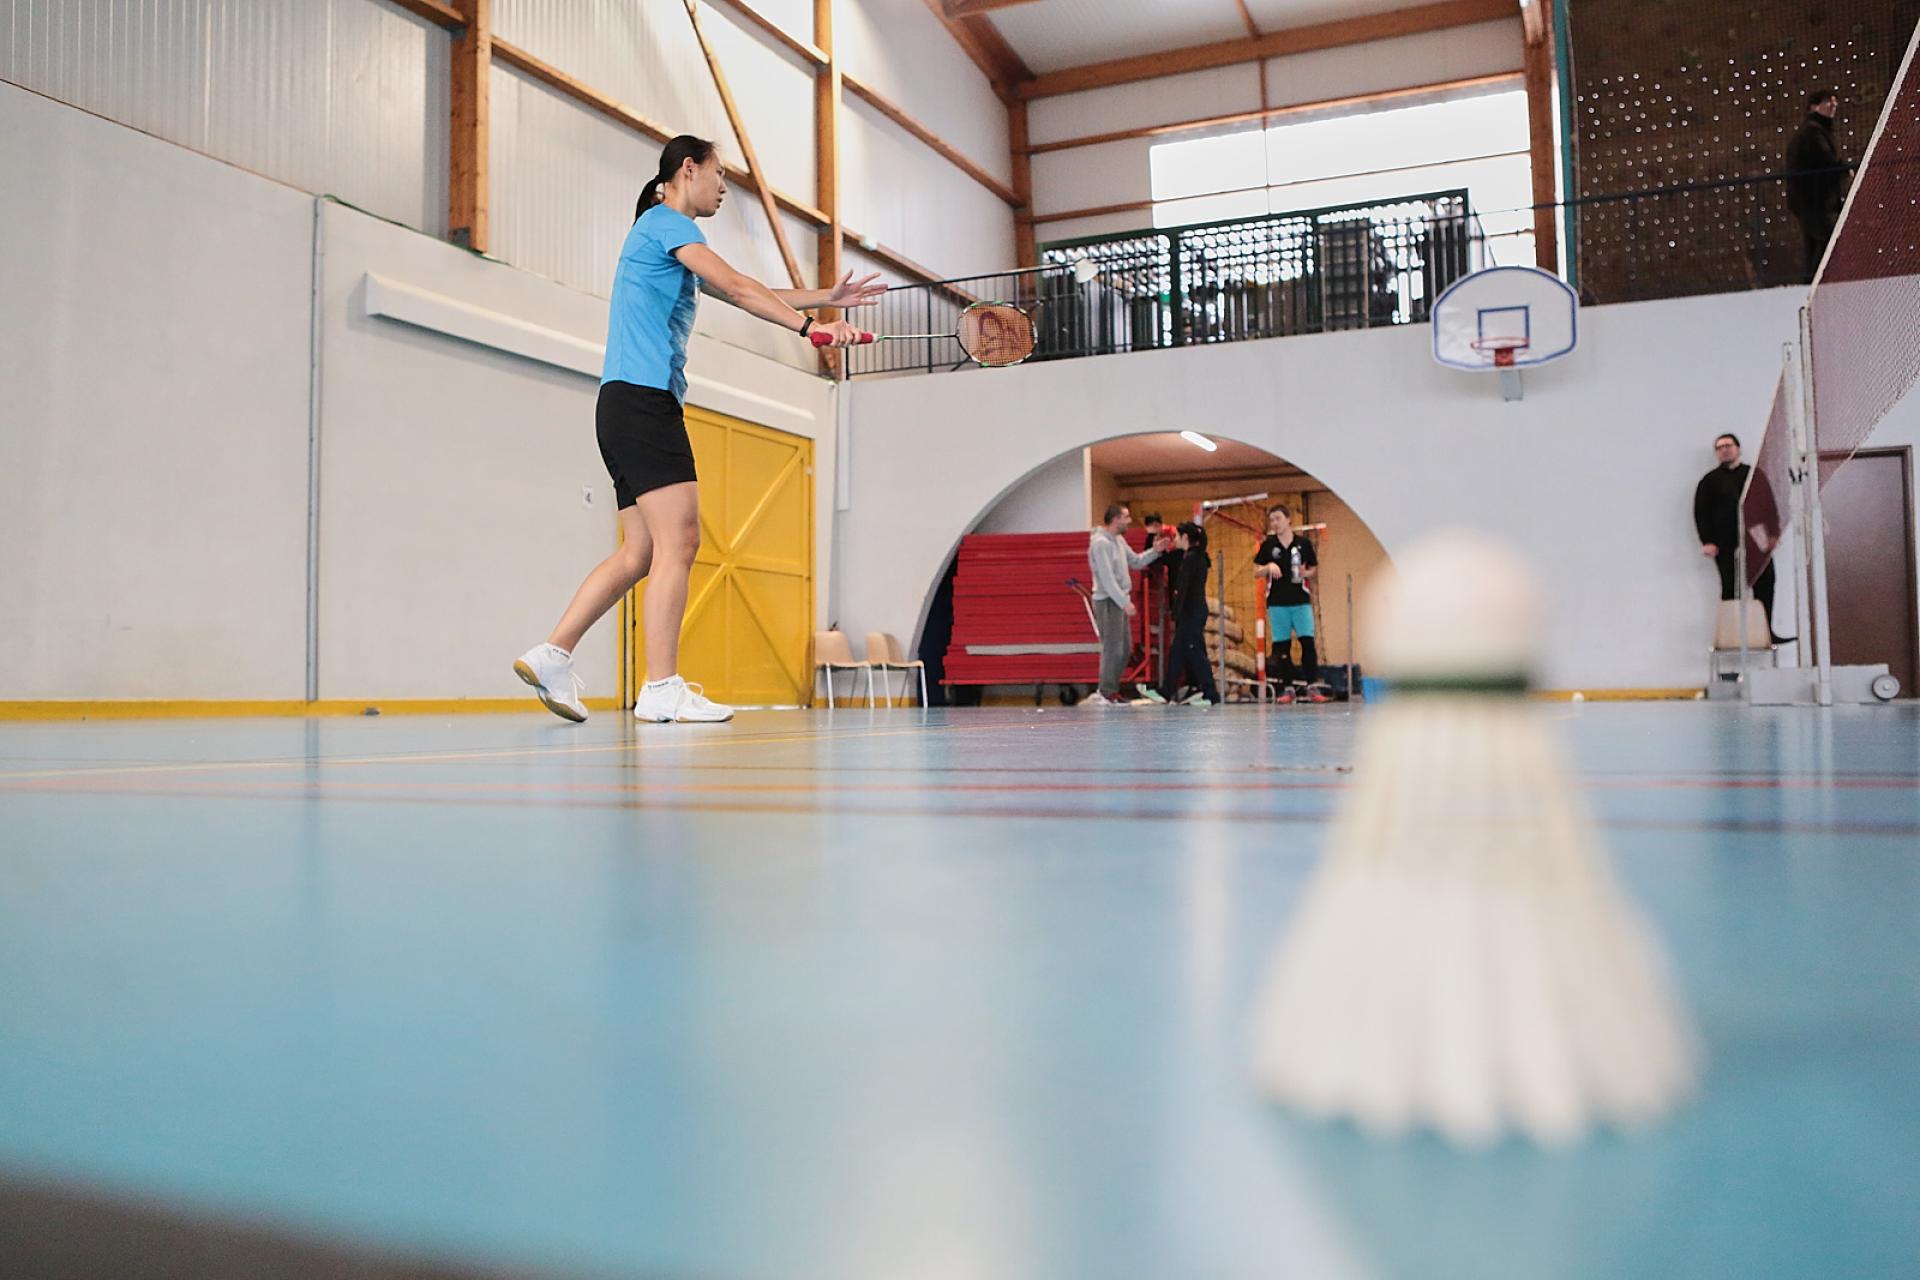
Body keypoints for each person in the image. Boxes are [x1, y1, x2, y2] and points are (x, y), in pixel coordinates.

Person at [515, 136, 878, 723]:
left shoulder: (662, 236)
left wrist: (824, 298)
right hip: (645, 403)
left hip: (620, 405)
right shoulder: (667, 224)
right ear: (689, 169)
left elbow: (740, 289)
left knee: (640, 551)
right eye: (720, 174)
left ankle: (552, 655)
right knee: (680, 541)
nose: (724, 188)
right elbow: (737, 286)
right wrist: (810, 328)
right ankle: (661, 687)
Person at [1694, 432, 1788, 641]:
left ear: (1738, 449)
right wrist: (1707, 541)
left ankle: (1766, 632)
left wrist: (1773, 534)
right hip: (1724, 540)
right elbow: (1701, 513)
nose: (1724, 450)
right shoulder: (1709, 481)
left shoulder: (1754, 475)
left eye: (1728, 445)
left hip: (1757, 537)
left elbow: (1769, 505)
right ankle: (1733, 635)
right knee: (1731, 587)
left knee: (1766, 580)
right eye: (1719, 447)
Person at [1086, 502, 1164, 706]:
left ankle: (1112, 689)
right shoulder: (1100, 544)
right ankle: (1105, 691)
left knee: (1125, 648)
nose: (1129, 521)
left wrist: (1155, 551)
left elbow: (1136, 561)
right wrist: (1123, 602)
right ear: (1115, 519)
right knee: (1112, 648)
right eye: (1126, 517)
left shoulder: (1119, 540)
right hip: (1107, 600)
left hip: (1118, 599)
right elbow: (1106, 578)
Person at [1254, 505, 1326, 704]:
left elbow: (1314, 568)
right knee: (1282, 647)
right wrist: (1269, 566)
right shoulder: (1269, 545)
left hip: (1300, 601)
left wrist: (1305, 573)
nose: (1274, 523)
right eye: (1272, 520)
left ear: (1288, 519)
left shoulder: (1303, 543)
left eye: (1278, 518)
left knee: (1307, 643)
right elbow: (1256, 571)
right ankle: (1288, 688)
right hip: (1277, 603)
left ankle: (1311, 686)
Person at [1153, 522, 1220, 707]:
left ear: (1185, 538)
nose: (1175, 540)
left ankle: (1210, 692)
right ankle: (1167, 690)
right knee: (1179, 652)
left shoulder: (1190, 559)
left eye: (1177, 536)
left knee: (1194, 652)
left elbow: (1182, 588)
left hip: (1191, 611)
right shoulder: (1199, 557)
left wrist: (1176, 612)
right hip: (1194, 610)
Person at [1785, 89, 1846, 283]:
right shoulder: (1813, 133)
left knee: (1815, 243)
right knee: (1826, 238)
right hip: (1813, 199)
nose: (1833, 105)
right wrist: (1842, 170)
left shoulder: (1813, 131)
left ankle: (1812, 283)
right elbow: (1825, 160)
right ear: (1814, 107)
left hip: (1809, 199)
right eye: (1828, 101)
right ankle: (1815, 283)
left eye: (1834, 101)